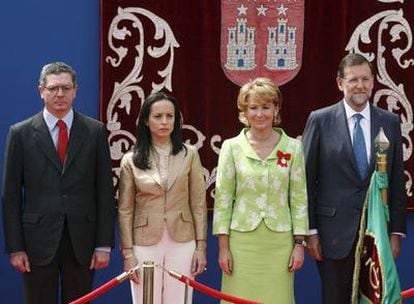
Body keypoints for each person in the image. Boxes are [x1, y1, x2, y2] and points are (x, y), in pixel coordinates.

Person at [2, 62, 116, 304]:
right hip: (36, 241)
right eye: (53, 88)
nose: (60, 94)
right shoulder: (20, 134)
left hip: (82, 240)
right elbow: (10, 195)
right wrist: (16, 247)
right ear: (41, 90)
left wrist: (104, 244)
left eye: (66, 87)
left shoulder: (95, 132)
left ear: (76, 90)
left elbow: (105, 192)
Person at [302, 53, 406, 303]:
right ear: (340, 83)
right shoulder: (320, 120)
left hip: (377, 234)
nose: (360, 85)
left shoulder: (389, 122)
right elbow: (306, 180)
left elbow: (396, 181)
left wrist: (395, 234)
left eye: (365, 79)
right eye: (353, 80)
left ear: (372, 82)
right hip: (333, 236)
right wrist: (311, 232)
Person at [213, 77, 308, 304]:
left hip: (280, 244)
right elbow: (223, 200)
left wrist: (299, 244)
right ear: (244, 112)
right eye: (253, 108)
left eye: (266, 107)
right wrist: (223, 248)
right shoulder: (232, 147)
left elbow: (299, 198)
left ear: (276, 109)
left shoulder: (293, 148)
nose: (260, 114)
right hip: (241, 244)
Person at [118, 91, 207, 304]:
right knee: (145, 300)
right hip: (144, 240)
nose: (164, 122)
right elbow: (125, 210)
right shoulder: (131, 159)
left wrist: (201, 247)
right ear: (146, 121)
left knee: (180, 300)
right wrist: (128, 253)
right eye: (158, 116)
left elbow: (198, 203)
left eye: (170, 116)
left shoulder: (190, 153)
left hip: (183, 239)